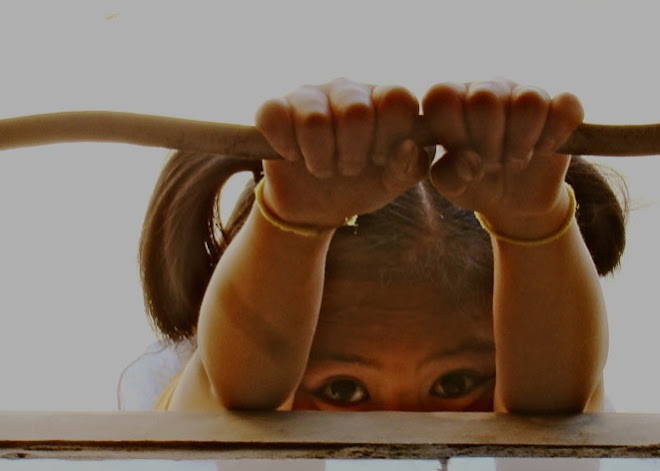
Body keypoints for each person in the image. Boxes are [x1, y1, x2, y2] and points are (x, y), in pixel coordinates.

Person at [122, 78, 626, 413]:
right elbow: (231, 395)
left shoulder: (550, 384)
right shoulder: (202, 405)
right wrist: (289, 223)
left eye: (455, 385)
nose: (400, 440)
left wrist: (534, 228)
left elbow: (559, 410)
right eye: (342, 391)